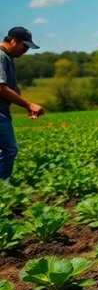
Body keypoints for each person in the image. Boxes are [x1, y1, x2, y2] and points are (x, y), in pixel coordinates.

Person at [0, 26, 45, 180]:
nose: (26, 50)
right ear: (14, 41)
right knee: (9, 150)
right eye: (24, 46)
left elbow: (11, 87)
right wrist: (29, 104)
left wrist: (25, 105)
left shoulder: (7, 58)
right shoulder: (0, 56)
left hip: (3, 109)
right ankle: (2, 187)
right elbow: (1, 88)